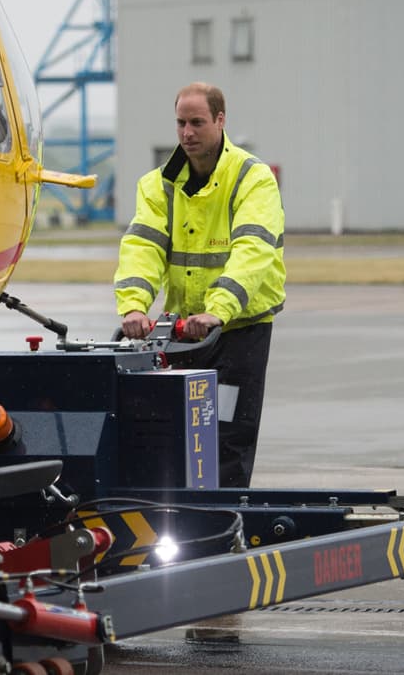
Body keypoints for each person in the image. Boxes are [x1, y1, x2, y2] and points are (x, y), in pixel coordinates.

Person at [115, 82, 286, 487]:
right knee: (173, 438)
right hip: (184, 335)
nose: (187, 133)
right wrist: (134, 306)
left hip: (238, 332)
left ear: (220, 120)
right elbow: (143, 246)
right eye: (180, 123)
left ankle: (226, 526)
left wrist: (219, 309)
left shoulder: (252, 178)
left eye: (197, 122)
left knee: (227, 438)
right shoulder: (158, 185)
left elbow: (252, 249)